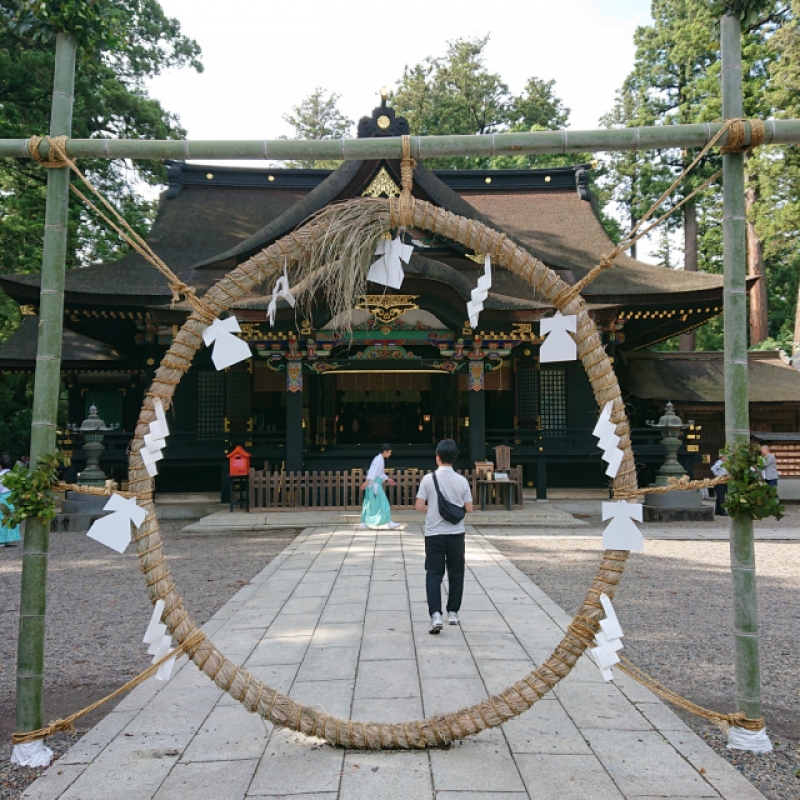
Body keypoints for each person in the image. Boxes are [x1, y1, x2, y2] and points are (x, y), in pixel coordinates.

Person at [415, 439, 474, 634]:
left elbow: (418, 506)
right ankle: (453, 612)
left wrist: (432, 511)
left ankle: (435, 615)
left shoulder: (428, 479)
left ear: (437, 457)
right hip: (456, 534)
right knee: (456, 572)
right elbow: (469, 508)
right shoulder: (462, 481)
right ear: (455, 458)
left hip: (434, 534)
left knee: (434, 573)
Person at [359, 444, 400, 530]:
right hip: (374, 484)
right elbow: (373, 473)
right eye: (389, 452)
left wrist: (388, 479)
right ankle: (389, 522)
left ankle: (363, 522)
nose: (390, 454)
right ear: (385, 451)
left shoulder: (379, 459)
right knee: (383, 502)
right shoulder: (378, 460)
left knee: (369, 503)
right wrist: (366, 483)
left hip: (373, 483)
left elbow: (379, 473)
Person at [0, 453, 21, 547]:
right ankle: (10, 539)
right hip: (13, 498)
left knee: (2, 519)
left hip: (2, 499)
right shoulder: (15, 475)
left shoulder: (1, 476)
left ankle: (1, 540)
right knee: (11, 518)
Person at [710, 451, 728, 517]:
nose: (726, 458)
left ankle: (718, 510)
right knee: (721, 497)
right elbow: (713, 468)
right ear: (722, 457)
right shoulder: (719, 462)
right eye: (725, 456)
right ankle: (722, 511)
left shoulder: (725, 463)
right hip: (720, 481)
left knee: (720, 497)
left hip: (724, 481)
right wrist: (718, 475)